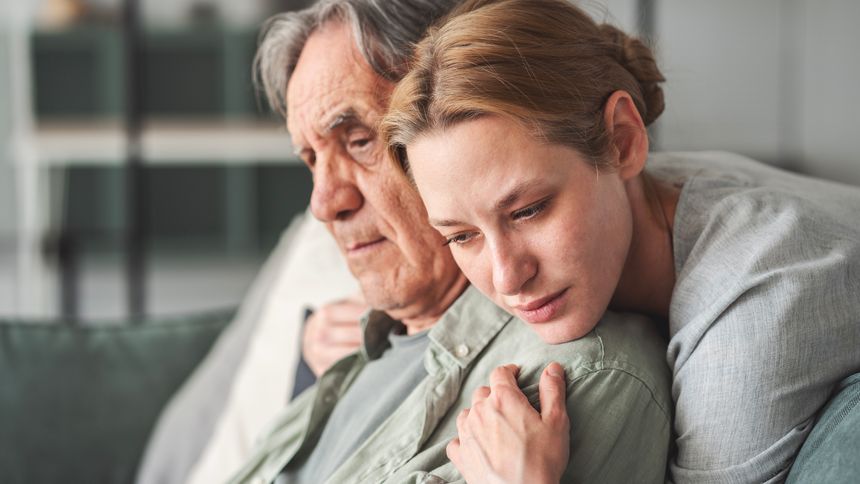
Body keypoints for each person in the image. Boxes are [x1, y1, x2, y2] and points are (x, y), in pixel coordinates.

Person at [381, 0, 860, 482]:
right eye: (462, 236)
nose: (508, 277)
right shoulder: (637, 190)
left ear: (624, 141)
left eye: (528, 210)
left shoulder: (751, 323)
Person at [227, 0, 673, 482]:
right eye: (311, 158)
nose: (323, 203)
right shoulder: (355, 341)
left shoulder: (564, 384)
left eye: (359, 140)